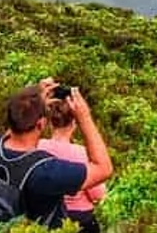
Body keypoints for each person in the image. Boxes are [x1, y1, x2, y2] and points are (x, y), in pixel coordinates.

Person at [0, 80, 113, 228]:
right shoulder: (45, 172)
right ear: (41, 124)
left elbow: (14, 125)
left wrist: (30, 99)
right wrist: (84, 117)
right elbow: (104, 169)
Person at [39, 95, 107, 233]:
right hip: (80, 219)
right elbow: (97, 194)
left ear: (50, 122)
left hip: (45, 217)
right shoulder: (82, 154)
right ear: (75, 123)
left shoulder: (38, 147)